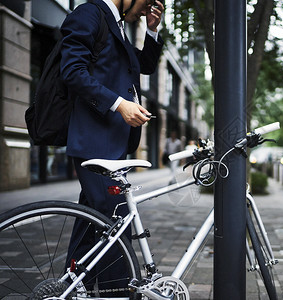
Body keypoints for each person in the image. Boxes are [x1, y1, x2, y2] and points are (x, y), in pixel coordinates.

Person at [59, 0, 164, 296]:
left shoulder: (116, 23)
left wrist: (152, 32)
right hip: (94, 141)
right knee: (115, 226)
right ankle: (118, 293)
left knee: (90, 223)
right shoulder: (90, 14)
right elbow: (72, 70)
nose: (146, 10)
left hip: (110, 144)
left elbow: (141, 66)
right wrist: (119, 105)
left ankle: (66, 289)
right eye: (146, 2)